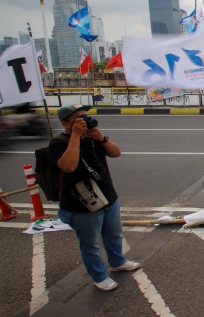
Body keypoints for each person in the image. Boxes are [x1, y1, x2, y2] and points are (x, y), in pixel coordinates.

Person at [49, 104, 140, 291]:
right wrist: (74, 136)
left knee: (114, 234)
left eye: (86, 116)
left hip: (108, 197)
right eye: (79, 119)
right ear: (66, 123)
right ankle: (99, 276)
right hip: (82, 205)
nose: (85, 121)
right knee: (90, 244)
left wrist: (101, 138)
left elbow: (116, 153)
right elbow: (68, 166)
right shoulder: (59, 142)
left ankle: (117, 261)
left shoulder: (93, 138)